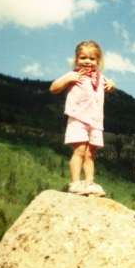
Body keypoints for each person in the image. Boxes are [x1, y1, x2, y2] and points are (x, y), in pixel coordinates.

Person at [50, 40, 115, 196]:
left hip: (95, 121)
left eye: (92, 59)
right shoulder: (73, 74)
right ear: (76, 59)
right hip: (78, 118)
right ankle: (75, 183)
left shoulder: (101, 78)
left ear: (98, 61)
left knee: (90, 153)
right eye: (83, 58)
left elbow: (110, 87)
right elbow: (53, 88)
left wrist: (111, 84)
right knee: (79, 150)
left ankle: (89, 183)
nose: (87, 61)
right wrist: (67, 80)